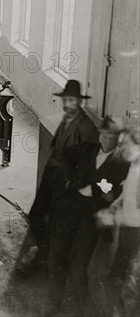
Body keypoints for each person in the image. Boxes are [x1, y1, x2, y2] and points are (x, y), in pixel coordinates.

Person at [46, 116, 130, 316]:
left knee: (78, 266)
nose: (106, 141)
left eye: (111, 137)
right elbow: (62, 157)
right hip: (70, 206)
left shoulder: (122, 162)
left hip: (92, 214)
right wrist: (69, 178)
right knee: (56, 256)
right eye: (103, 135)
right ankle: (53, 306)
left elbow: (116, 191)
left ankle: (76, 312)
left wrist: (105, 189)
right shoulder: (87, 149)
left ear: (118, 139)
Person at [18, 80, 99, 275]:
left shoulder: (86, 128)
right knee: (36, 214)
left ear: (79, 102)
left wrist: (73, 185)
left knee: (55, 223)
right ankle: (46, 255)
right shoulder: (66, 119)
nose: (67, 104)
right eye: (65, 100)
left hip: (65, 184)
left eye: (71, 101)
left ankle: (43, 262)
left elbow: (88, 164)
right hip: (51, 176)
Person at [96, 126, 140, 317]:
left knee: (127, 282)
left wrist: (112, 217)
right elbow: (127, 195)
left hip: (135, 232)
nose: (121, 148)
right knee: (117, 277)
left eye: (126, 145)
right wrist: (114, 205)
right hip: (127, 229)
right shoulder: (134, 164)